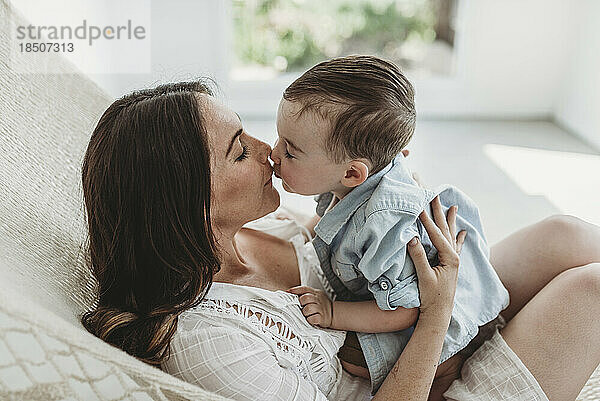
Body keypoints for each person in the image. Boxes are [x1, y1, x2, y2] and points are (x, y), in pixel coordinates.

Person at [81, 80, 600, 400]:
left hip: (420, 327)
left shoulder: (260, 231)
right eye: (240, 152)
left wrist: (386, 193)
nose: (268, 152)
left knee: (564, 235)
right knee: (591, 292)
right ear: (190, 204)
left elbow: (352, 232)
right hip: (423, 382)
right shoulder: (207, 341)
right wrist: (438, 310)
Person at [270, 55, 509, 396]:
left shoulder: (382, 226)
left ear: (353, 174)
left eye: (290, 152)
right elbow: (335, 214)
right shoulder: (354, 176)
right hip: (407, 288)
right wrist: (305, 225)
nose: (274, 153)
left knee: (357, 360)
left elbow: (405, 310)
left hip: (431, 312)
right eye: (280, 139)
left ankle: (447, 372)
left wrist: (333, 311)